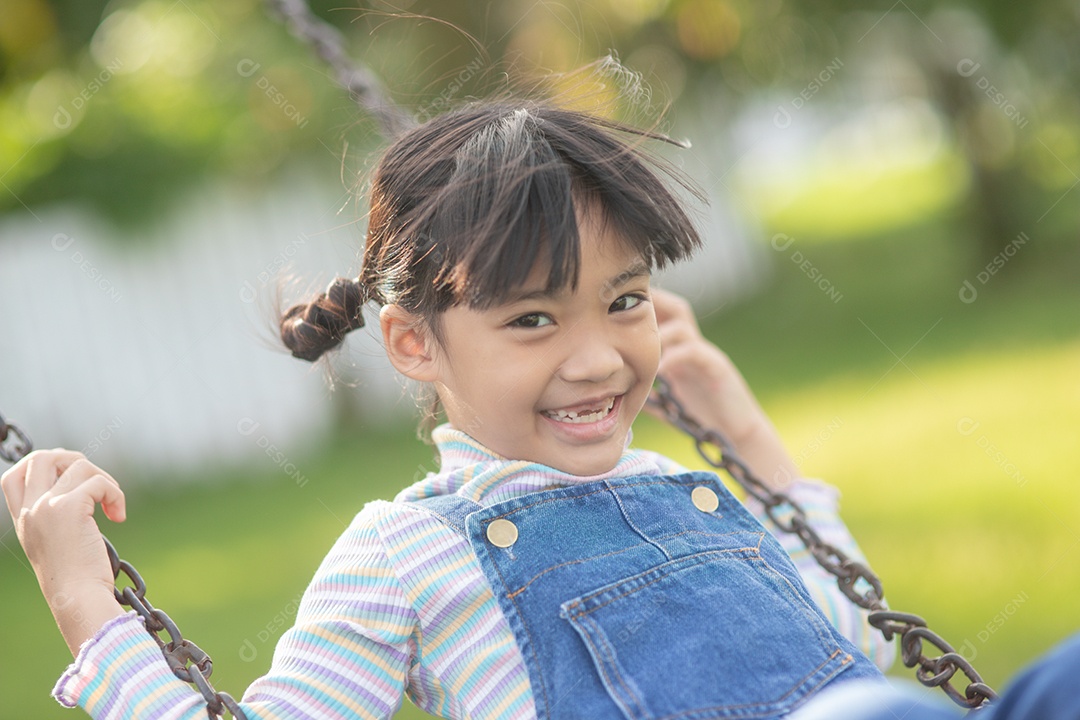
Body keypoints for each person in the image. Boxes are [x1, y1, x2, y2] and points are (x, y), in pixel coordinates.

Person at [8, 100, 1070, 720]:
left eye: (625, 301)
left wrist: (745, 436)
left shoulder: (685, 489)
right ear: (414, 342)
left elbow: (852, 640)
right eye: (532, 320)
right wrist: (86, 607)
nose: (598, 358)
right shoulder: (403, 552)